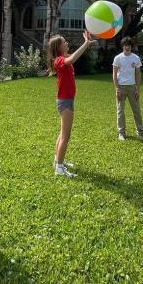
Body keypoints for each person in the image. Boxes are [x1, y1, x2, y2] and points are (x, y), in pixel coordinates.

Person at [47, 30, 95, 178]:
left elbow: (73, 56)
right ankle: (59, 168)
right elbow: (72, 59)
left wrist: (87, 42)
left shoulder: (63, 57)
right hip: (65, 101)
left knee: (62, 134)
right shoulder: (59, 60)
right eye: (64, 42)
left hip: (66, 100)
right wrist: (86, 43)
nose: (67, 43)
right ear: (58, 47)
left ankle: (57, 161)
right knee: (65, 136)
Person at [113, 37, 143, 141]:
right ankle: (121, 133)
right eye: (125, 45)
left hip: (132, 87)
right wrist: (117, 88)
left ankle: (141, 132)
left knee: (136, 110)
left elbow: (138, 74)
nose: (127, 47)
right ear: (122, 46)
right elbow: (114, 74)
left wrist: (138, 88)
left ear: (131, 47)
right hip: (121, 87)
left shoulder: (136, 58)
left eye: (129, 45)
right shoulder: (118, 58)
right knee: (120, 111)